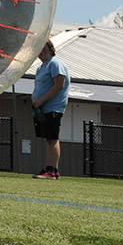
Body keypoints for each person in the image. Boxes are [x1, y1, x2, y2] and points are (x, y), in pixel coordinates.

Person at [32, 39, 69, 179]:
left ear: (51, 49)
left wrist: (41, 100)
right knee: (49, 138)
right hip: (43, 108)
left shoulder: (55, 63)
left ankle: (51, 170)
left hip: (53, 107)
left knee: (52, 138)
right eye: (39, 50)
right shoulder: (41, 67)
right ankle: (52, 168)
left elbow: (59, 84)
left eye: (44, 49)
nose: (41, 53)